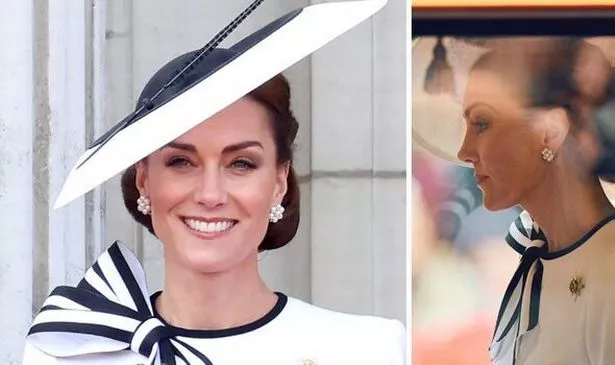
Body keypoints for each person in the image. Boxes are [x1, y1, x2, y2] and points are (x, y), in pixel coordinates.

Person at [23, 1, 405, 364]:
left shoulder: (367, 350)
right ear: (144, 181)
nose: (210, 194)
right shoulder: (70, 351)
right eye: (180, 162)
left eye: (240, 163)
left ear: (279, 182)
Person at [413, 36, 615, 365]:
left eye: (482, 123)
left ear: (549, 131)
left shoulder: (609, 269)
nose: (465, 151)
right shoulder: (534, 263)